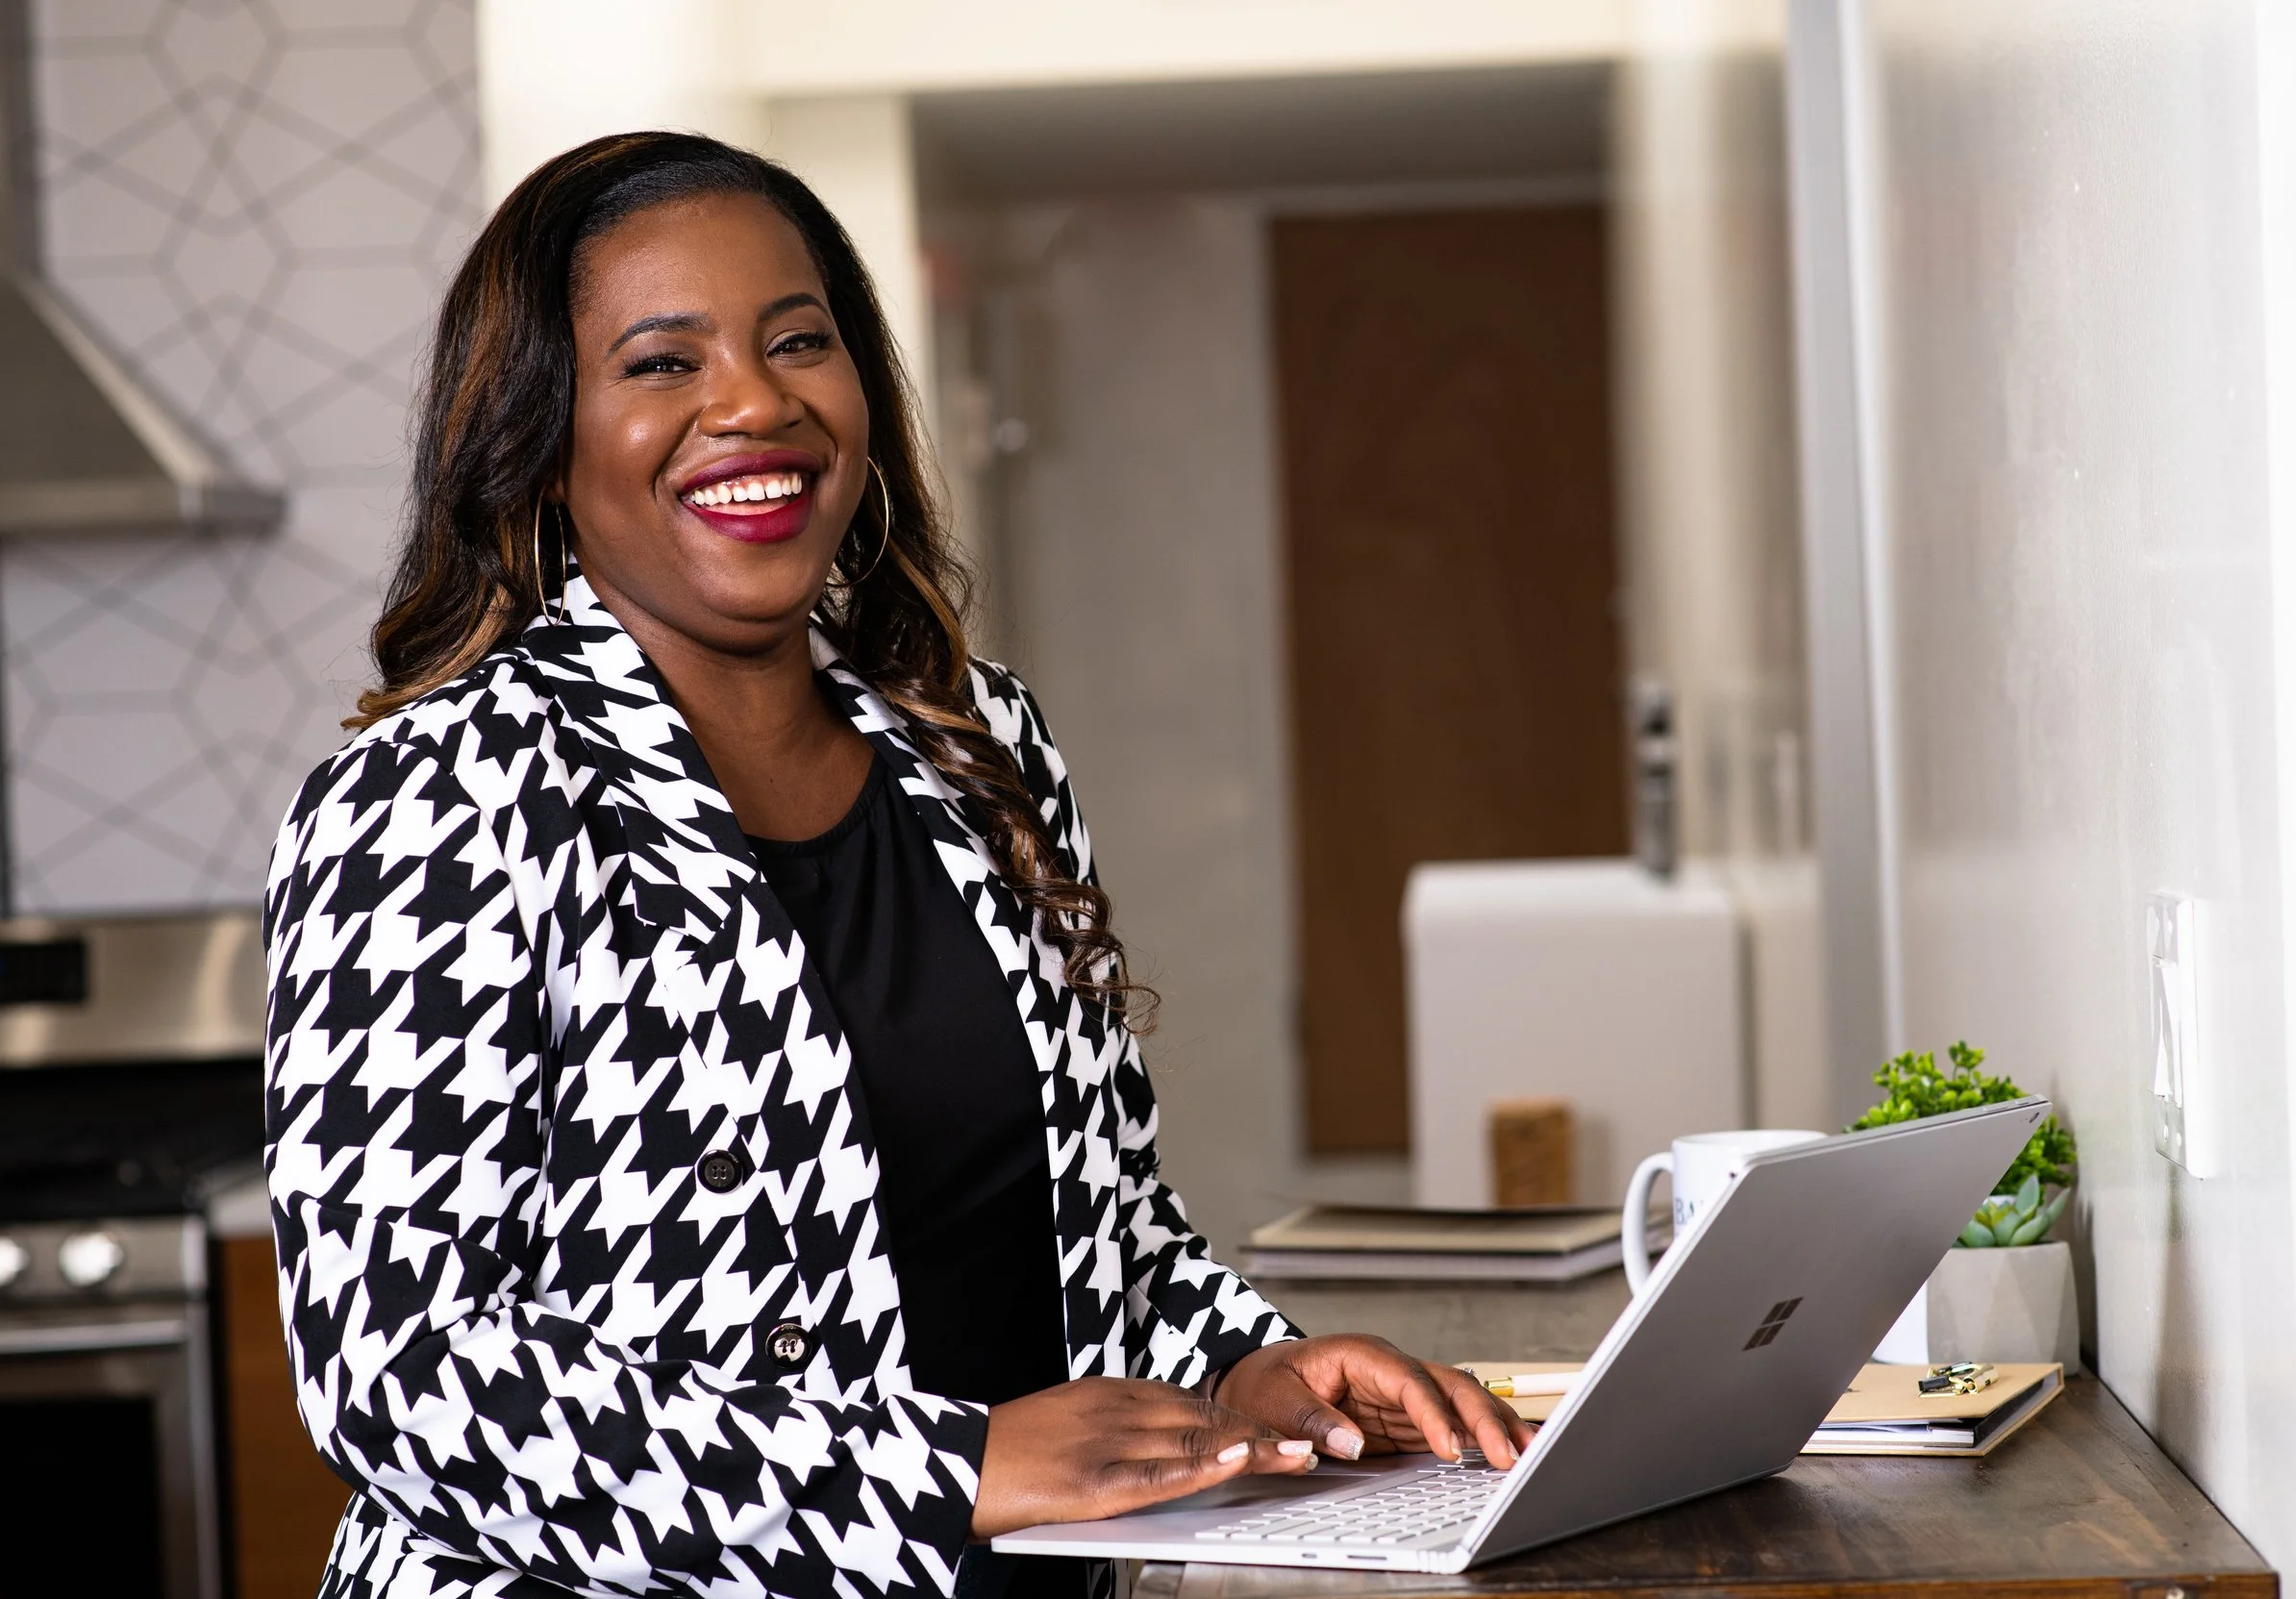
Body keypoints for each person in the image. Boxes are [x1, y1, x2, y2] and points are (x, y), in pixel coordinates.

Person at [262, 131, 1530, 1599]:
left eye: (798, 340)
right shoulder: (436, 796)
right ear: (540, 442)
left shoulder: (977, 742)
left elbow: (1096, 1224)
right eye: (663, 362)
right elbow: (402, 1370)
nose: (755, 401)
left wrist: (1245, 1368)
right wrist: (948, 1467)